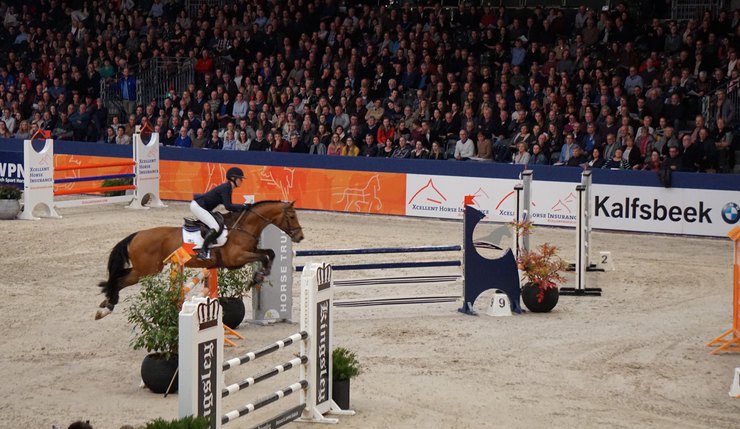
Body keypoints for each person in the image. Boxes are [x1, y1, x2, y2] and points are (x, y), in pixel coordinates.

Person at [189, 167, 248, 259]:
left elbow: (229, 206)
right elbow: (228, 206)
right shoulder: (226, 188)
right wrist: (243, 206)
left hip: (202, 207)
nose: (242, 181)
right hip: (198, 206)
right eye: (240, 179)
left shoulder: (228, 187)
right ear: (233, 178)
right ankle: (203, 251)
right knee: (215, 226)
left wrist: (241, 208)